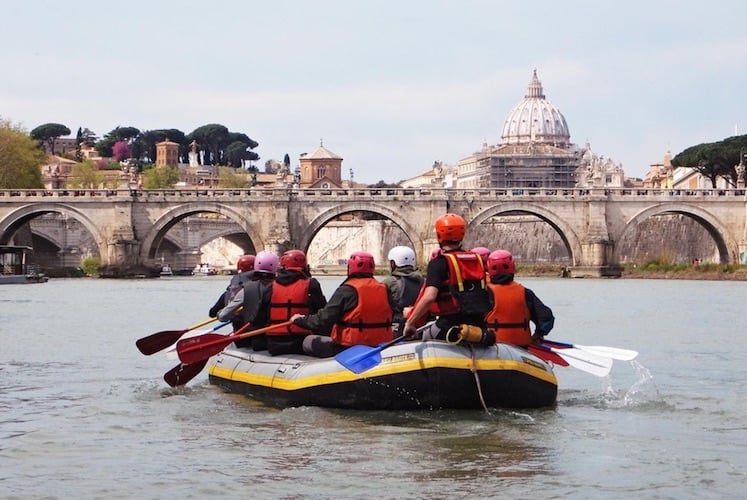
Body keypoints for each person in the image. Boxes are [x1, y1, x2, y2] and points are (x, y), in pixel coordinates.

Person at [402, 213, 494, 345]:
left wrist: (410, 322)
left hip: (449, 327)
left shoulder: (439, 263)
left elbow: (429, 297)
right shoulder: (477, 259)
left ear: (439, 236)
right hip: (478, 328)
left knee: (421, 337)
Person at [290, 251, 394, 358]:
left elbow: (322, 320)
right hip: (381, 346)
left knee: (307, 341)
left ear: (350, 268)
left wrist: (299, 320)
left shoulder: (346, 290)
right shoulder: (384, 289)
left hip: (349, 348)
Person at [484, 249, 554, 347]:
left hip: (493, 347)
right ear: (512, 267)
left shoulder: (484, 294)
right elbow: (547, 318)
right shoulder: (526, 293)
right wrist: (538, 335)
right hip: (522, 348)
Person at [265, 249, 328, 355]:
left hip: (274, 343)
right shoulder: (311, 284)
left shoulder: (271, 286)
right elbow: (322, 313)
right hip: (301, 341)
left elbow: (261, 316)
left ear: (282, 266)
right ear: (304, 267)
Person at [218, 250, 278, 350]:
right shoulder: (283, 287)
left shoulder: (245, 289)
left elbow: (223, 317)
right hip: (277, 339)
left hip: (251, 340)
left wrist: (221, 314)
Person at [381, 245, 423, 334]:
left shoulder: (389, 282)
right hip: (421, 328)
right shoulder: (423, 281)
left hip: (398, 329)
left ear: (393, 264)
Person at [208, 254, 255, 321]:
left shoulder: (228, 293)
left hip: (238, 326)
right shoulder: (261, 289)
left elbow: (212, 313)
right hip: (257, 326)